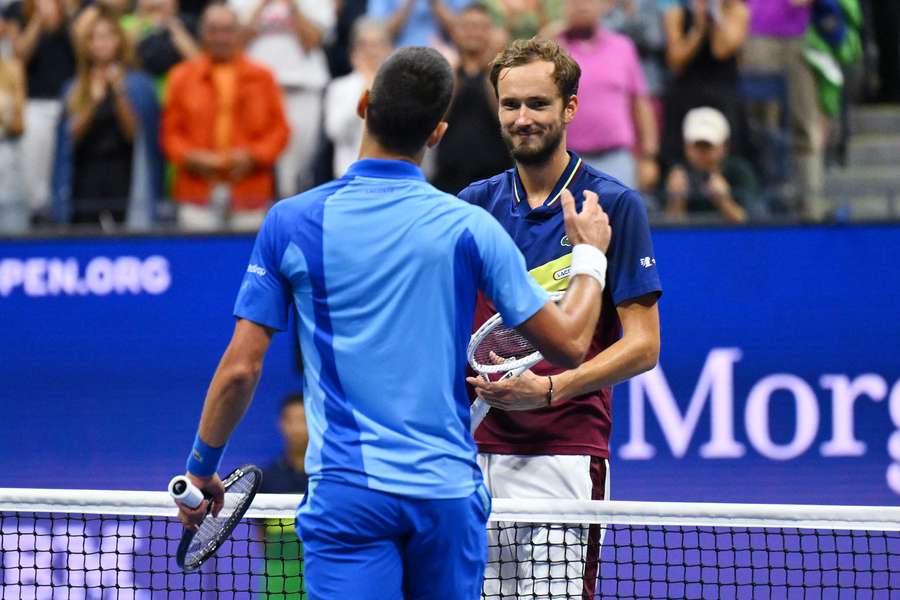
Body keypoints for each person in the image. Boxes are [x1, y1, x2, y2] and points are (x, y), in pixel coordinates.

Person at [173, 45, 614, 599]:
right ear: (437, 134)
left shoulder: (292, 221)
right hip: (447, 496)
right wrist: (590, 255)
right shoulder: (469, 226)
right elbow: (573, 341)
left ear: (363, 105)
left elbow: (241, 368)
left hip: (350, 497)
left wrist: (202, 467)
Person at [459, 38, 661, 599]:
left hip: (563, 452)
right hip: (473, 454)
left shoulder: (612, 205)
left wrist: (550, 390)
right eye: (510, 105)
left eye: (538, 104)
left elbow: (643, 345)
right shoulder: (474, 205)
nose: (522, 119)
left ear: (570, 107)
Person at [161, 3, 289, 231]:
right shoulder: (181, 77)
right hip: (196, 190)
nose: (221, 38)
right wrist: (195, 158)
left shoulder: (262, 77)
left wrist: (251, 156)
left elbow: (279, 131)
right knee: (198, 258)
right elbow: (170, 135)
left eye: (228, 30)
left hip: (250, 191)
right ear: (202, 34)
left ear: (238, 33)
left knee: (247, 259)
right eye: (213, 30)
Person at [51, 9, 163, 228]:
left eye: (108, 36)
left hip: (124, 173)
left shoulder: (139, 84)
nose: (101, 43)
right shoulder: (73, 87)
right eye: (94, 37)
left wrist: (119, 93)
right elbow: (69, 139)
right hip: (85, 175)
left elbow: (136, 136)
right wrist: (93, 101)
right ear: (87, 45)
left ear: (119, 41)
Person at [551, 0, 659, 194]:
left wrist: (648, 157)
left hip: (617, 159)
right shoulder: (553, 50)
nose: (582, 5)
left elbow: (641, 103)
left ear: (603, 5)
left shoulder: (623, 47)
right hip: (566, 160)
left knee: (619, 222)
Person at [230, 0, 335, 197]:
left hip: (301, 87)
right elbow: (233, 41)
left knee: (297, 169)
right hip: (255, 88)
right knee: (254, 158)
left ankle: (291, 215)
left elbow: (312, 40)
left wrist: (292, 6)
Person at [741, 0, 823, 219]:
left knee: (803, 125)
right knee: (761, 128)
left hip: (798, 36)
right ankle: (762, 207)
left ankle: (810, 207)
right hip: (755, 32)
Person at [3, 0, 77, 223]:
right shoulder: (18, 10)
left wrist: (65, 14)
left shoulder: (72, 9)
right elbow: (19, 56)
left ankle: (64, 215)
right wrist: (37, 19)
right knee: (35, 180)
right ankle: (37, 217)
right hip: (36, 103)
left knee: (66, 169)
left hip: (70, 101)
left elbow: (82, 49)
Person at [432, 3, 511, 194]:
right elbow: (438, 119)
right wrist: (452, 72)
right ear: (455, 32)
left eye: (480, 27)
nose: (473, 33)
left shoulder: (504, 73)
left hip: (494, 178)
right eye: (467, 26)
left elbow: (506, 118)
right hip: (449, 178)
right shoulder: (447, 72)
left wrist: (490, 67)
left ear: (491, 33)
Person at [661, 0, 749, 170]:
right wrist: (698, 29)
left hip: (723, 92)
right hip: (686, 93)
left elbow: (720, 50)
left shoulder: (737, 11)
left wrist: (715, 15)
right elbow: (674, 61)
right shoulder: (676, 14)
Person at [324, 17, 391, 179]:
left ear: (389, 49)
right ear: (353, 51)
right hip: (349, 175)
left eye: (377, 44)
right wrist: (366, 88)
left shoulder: (400, 87)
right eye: (364, 44)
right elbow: (335, 131)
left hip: (389, 177)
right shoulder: (339, 87)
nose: (371, 51)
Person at [664, 106, 756, 223]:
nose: (702, 154)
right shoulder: (676, 173)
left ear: (724, 146)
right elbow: (667, 234)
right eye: (697, 146)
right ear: (686, 147)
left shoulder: (740, 171)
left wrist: (725, 202)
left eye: (708, 146)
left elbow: (753, 229)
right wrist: (676, 201)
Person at [260, 393, 309, 600]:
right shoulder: (269, 476)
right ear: (282, 424)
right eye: (292, 421)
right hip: (278, 575)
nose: (297, 428)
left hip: (318, 570)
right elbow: (259, 527)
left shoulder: (328, 476)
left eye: (303, 420)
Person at [0, 25, 26, 234]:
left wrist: (6, 117)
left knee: (14, 233)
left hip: (7, 159)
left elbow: (20, 125)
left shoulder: (12, 69)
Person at [367, 0, 468, 48]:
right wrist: (407, 5)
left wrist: (436, 3)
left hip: (445, 57)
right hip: (397, 57)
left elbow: (466, 33)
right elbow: (378, 34)